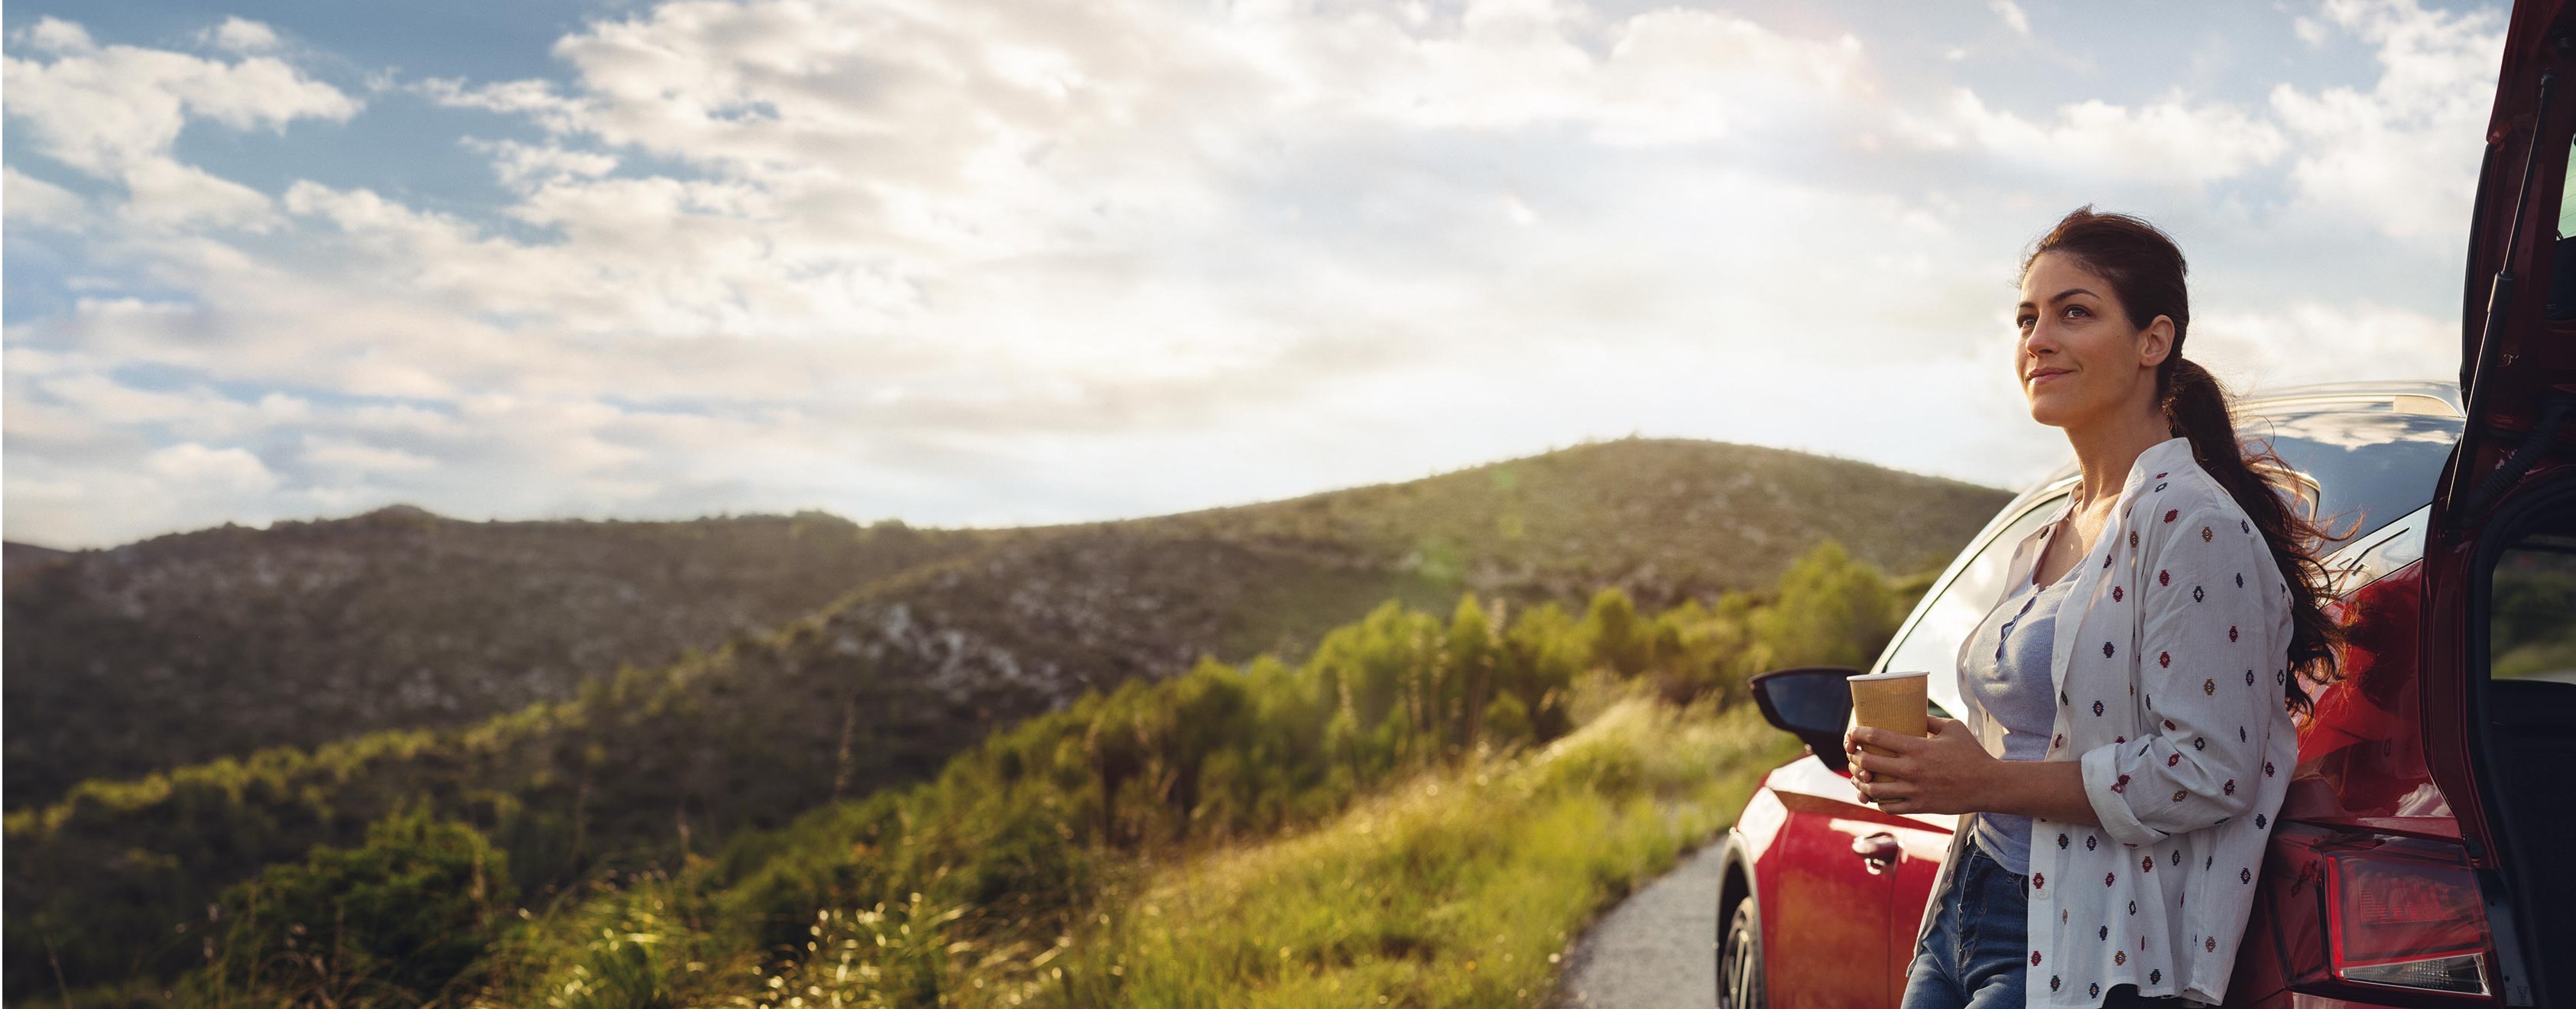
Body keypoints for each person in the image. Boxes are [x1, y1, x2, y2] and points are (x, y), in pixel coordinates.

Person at [1843, 208, 2343, 1009]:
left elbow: (2210, 772)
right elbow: (2048, 730)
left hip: (2085, 941)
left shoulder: (2193, 525)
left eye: (2074, 312)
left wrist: (1990, 782)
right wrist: (1931, 755)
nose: (2037, 338)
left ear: (2153, 341)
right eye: (2026, 317)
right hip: (1966, 900)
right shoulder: (2051, 528)